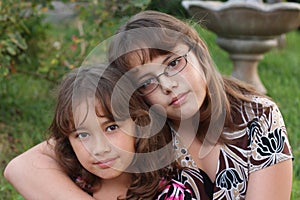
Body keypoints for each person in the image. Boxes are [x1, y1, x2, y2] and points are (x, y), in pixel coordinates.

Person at [4, 10, 293, 200]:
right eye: (146, 82)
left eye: (174, 63)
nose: (168, 86)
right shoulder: (142, 124)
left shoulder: (257, 116)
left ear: (200, 53)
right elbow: (22, 167)